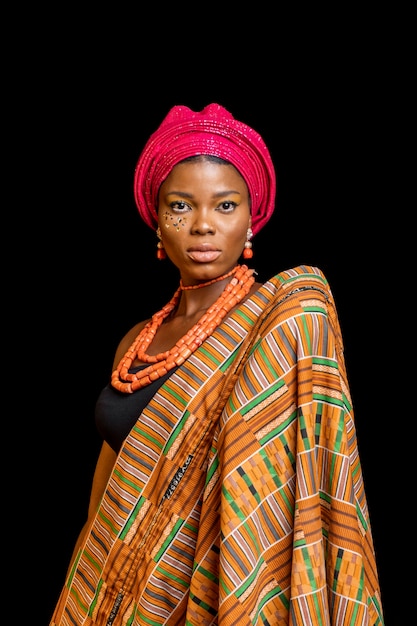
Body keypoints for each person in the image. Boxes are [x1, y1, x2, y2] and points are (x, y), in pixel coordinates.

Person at [50, 104, 384, 626]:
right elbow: (103, 504)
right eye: (181, 206)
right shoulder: (135, 344)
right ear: (156, 219)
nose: (203, 225)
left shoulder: (282, 324)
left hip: (218, 597)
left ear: (252, 219)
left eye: (225, 206)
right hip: (109, 600)